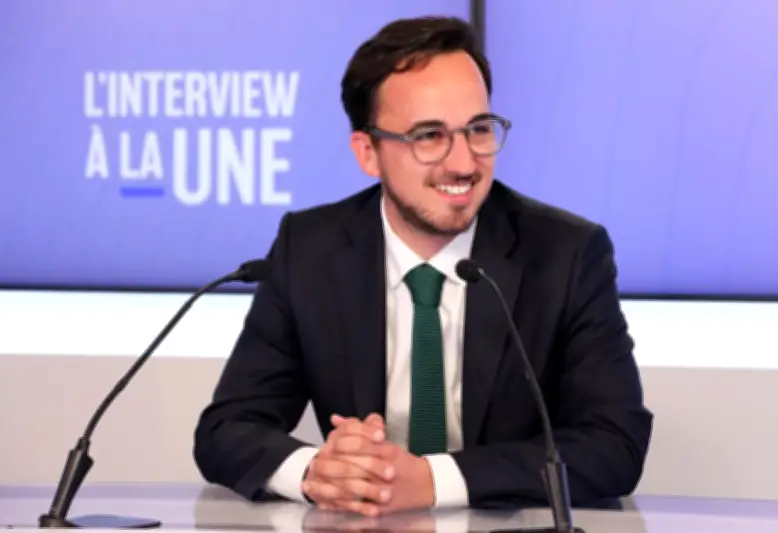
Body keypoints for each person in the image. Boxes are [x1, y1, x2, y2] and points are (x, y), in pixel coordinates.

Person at [193, 15, 653, 517]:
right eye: (429, 136)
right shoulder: (309, 250)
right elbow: (226, 430)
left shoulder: (566, 254)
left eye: (479, 129)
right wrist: (317, 472)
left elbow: (614, 445)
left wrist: (433, 481)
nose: (464, 163)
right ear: (368, 152)